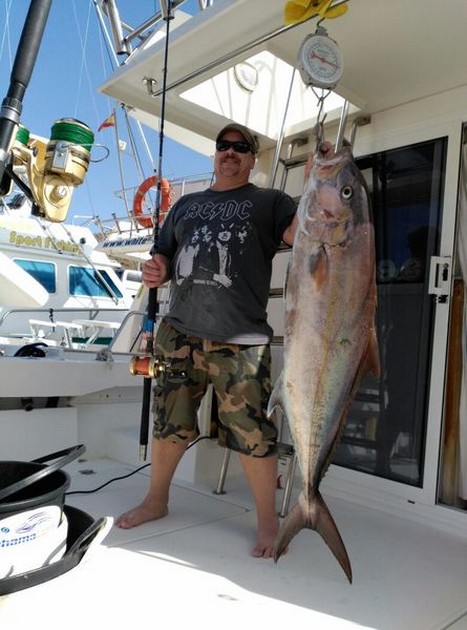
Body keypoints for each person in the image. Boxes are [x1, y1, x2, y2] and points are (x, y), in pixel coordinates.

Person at [116, 123, 298, 558]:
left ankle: (268, 523)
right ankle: (156, 500)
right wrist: (155, 268)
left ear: (253, 160)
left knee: (254, 434)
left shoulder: (271, 202)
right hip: (178, 332)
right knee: (169, 423)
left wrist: (326, 183)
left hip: (242, 341)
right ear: (215, 155)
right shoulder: (186, 205)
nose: (231, 153)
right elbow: (162, 252)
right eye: (224, 147)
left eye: (241, 148)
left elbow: (298, 235)